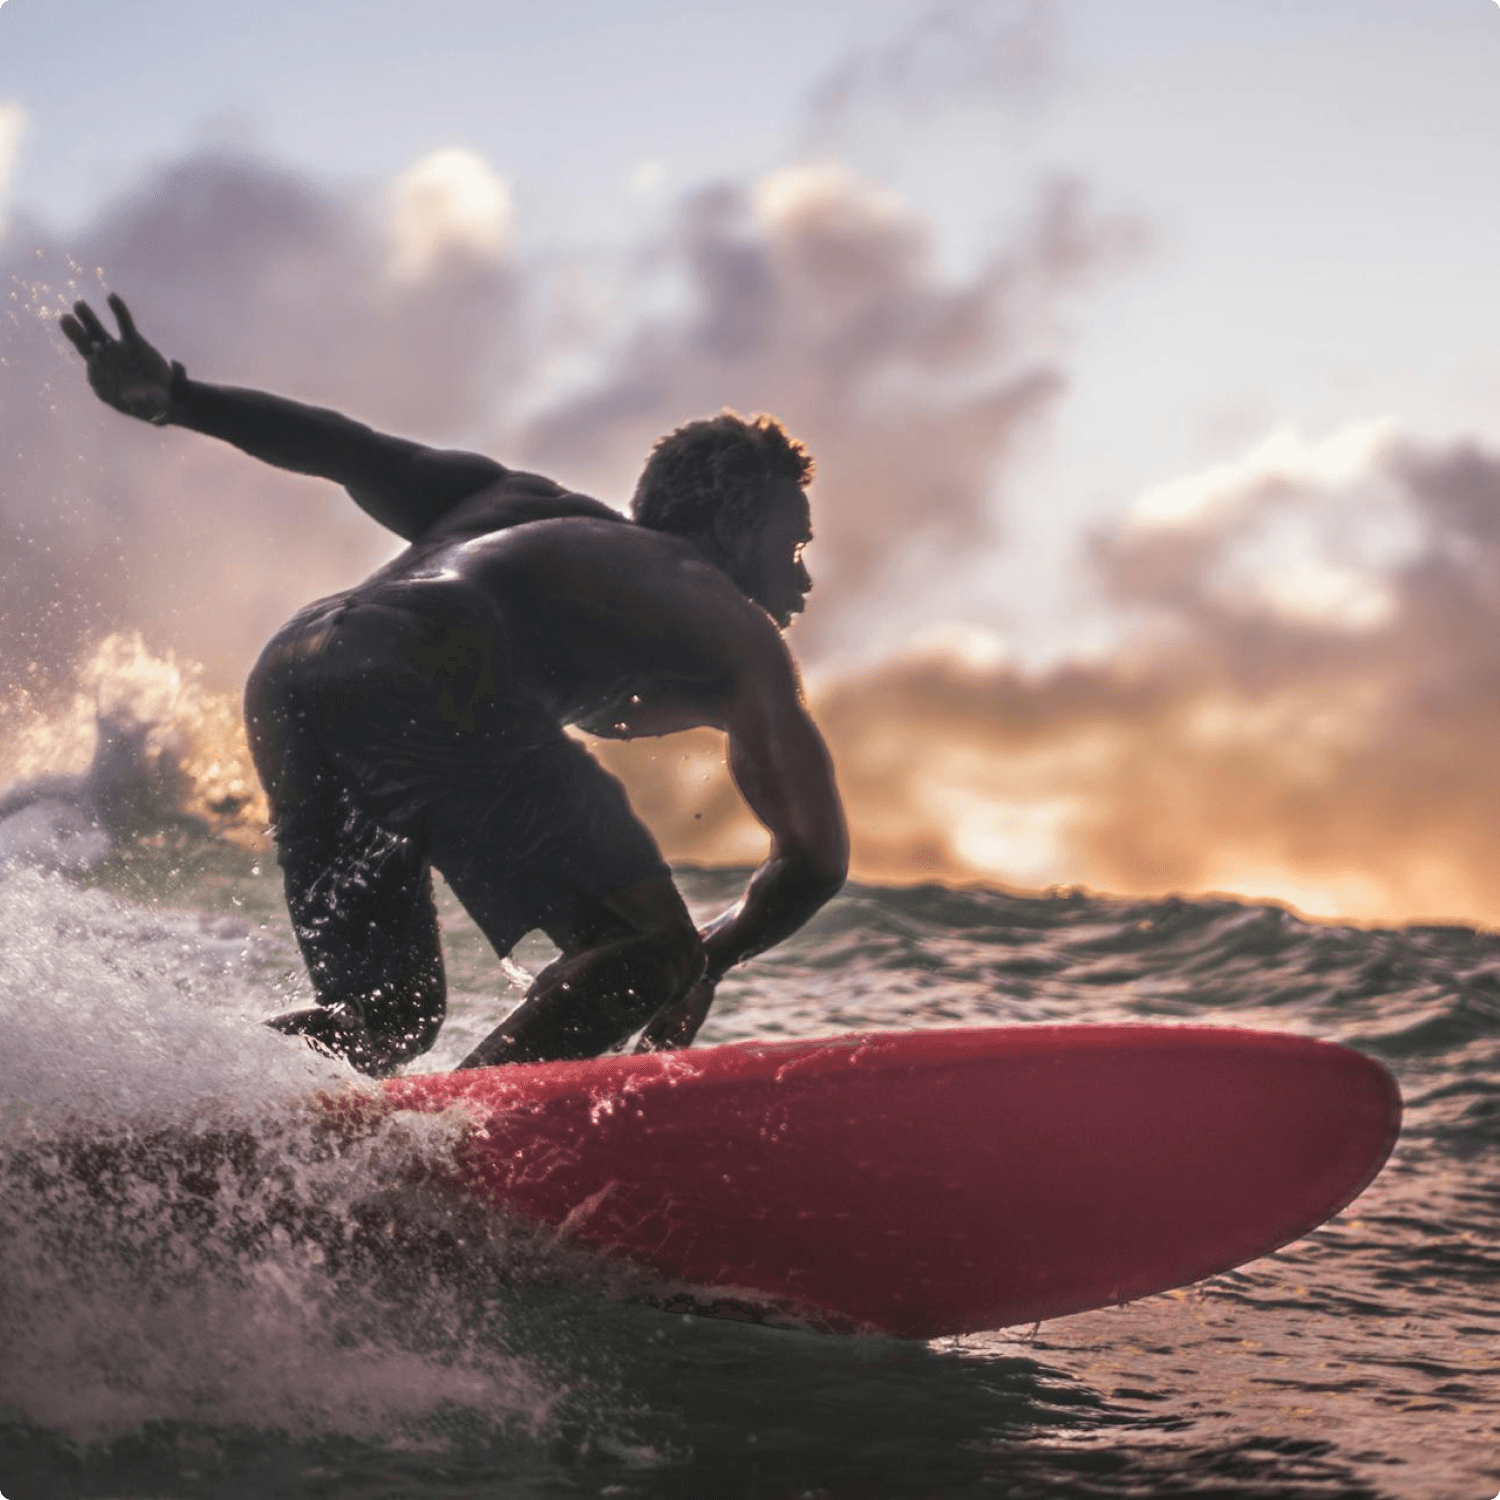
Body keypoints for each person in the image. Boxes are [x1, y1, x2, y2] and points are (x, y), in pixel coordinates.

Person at [59, 294, 848, 1076]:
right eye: (794, 546)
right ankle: (449, 1154)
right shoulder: (727, 621)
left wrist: (176, 397)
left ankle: (162, 1108)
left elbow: (349, 449)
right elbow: (814, 862)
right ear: (737, 533)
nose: (804, 578)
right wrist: (697, 963)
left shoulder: (518, 503)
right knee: (645, 952)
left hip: (294, 670)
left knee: (384, 1016)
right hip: (425, 656)